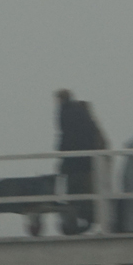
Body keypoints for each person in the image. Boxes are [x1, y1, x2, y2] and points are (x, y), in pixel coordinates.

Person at [55, 90, 107, 235]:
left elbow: (66, 136)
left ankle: (73, 226)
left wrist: (61, 155)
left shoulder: (65, 112)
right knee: (87, 196)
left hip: (74, 164)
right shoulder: (86, 117)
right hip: (87, 163)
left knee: (73, 195)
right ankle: (89, 223)